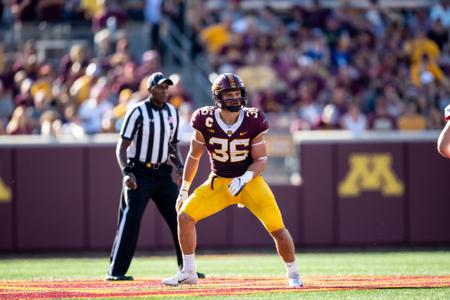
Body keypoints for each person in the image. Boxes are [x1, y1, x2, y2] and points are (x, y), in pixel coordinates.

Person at [162, 73, 303, 288]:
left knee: (277, 228)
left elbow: (260, 160)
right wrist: (184, 189)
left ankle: (293, 274)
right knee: (184, 217)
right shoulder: (205, 119)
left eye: (237, 93)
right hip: (218, 182)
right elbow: (194, 156)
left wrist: (245, 177)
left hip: (250, 183)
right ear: (218, 97)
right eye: (229, 94)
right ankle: (189, 271)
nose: (235, 98)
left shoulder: (253, 119)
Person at [106, 72, 204, 281]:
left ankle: (187, 268)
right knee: (130, 220)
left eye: (167, 87)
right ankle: (116, 271)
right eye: (160, 87)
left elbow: (171, 146)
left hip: (161, 173)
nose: (165, 91)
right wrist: (126, 172)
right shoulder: (137, 111)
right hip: (139, 172)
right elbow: (121, 146)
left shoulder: (172, 112)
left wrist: (178, 166)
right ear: (150, 89)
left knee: (181, 216)